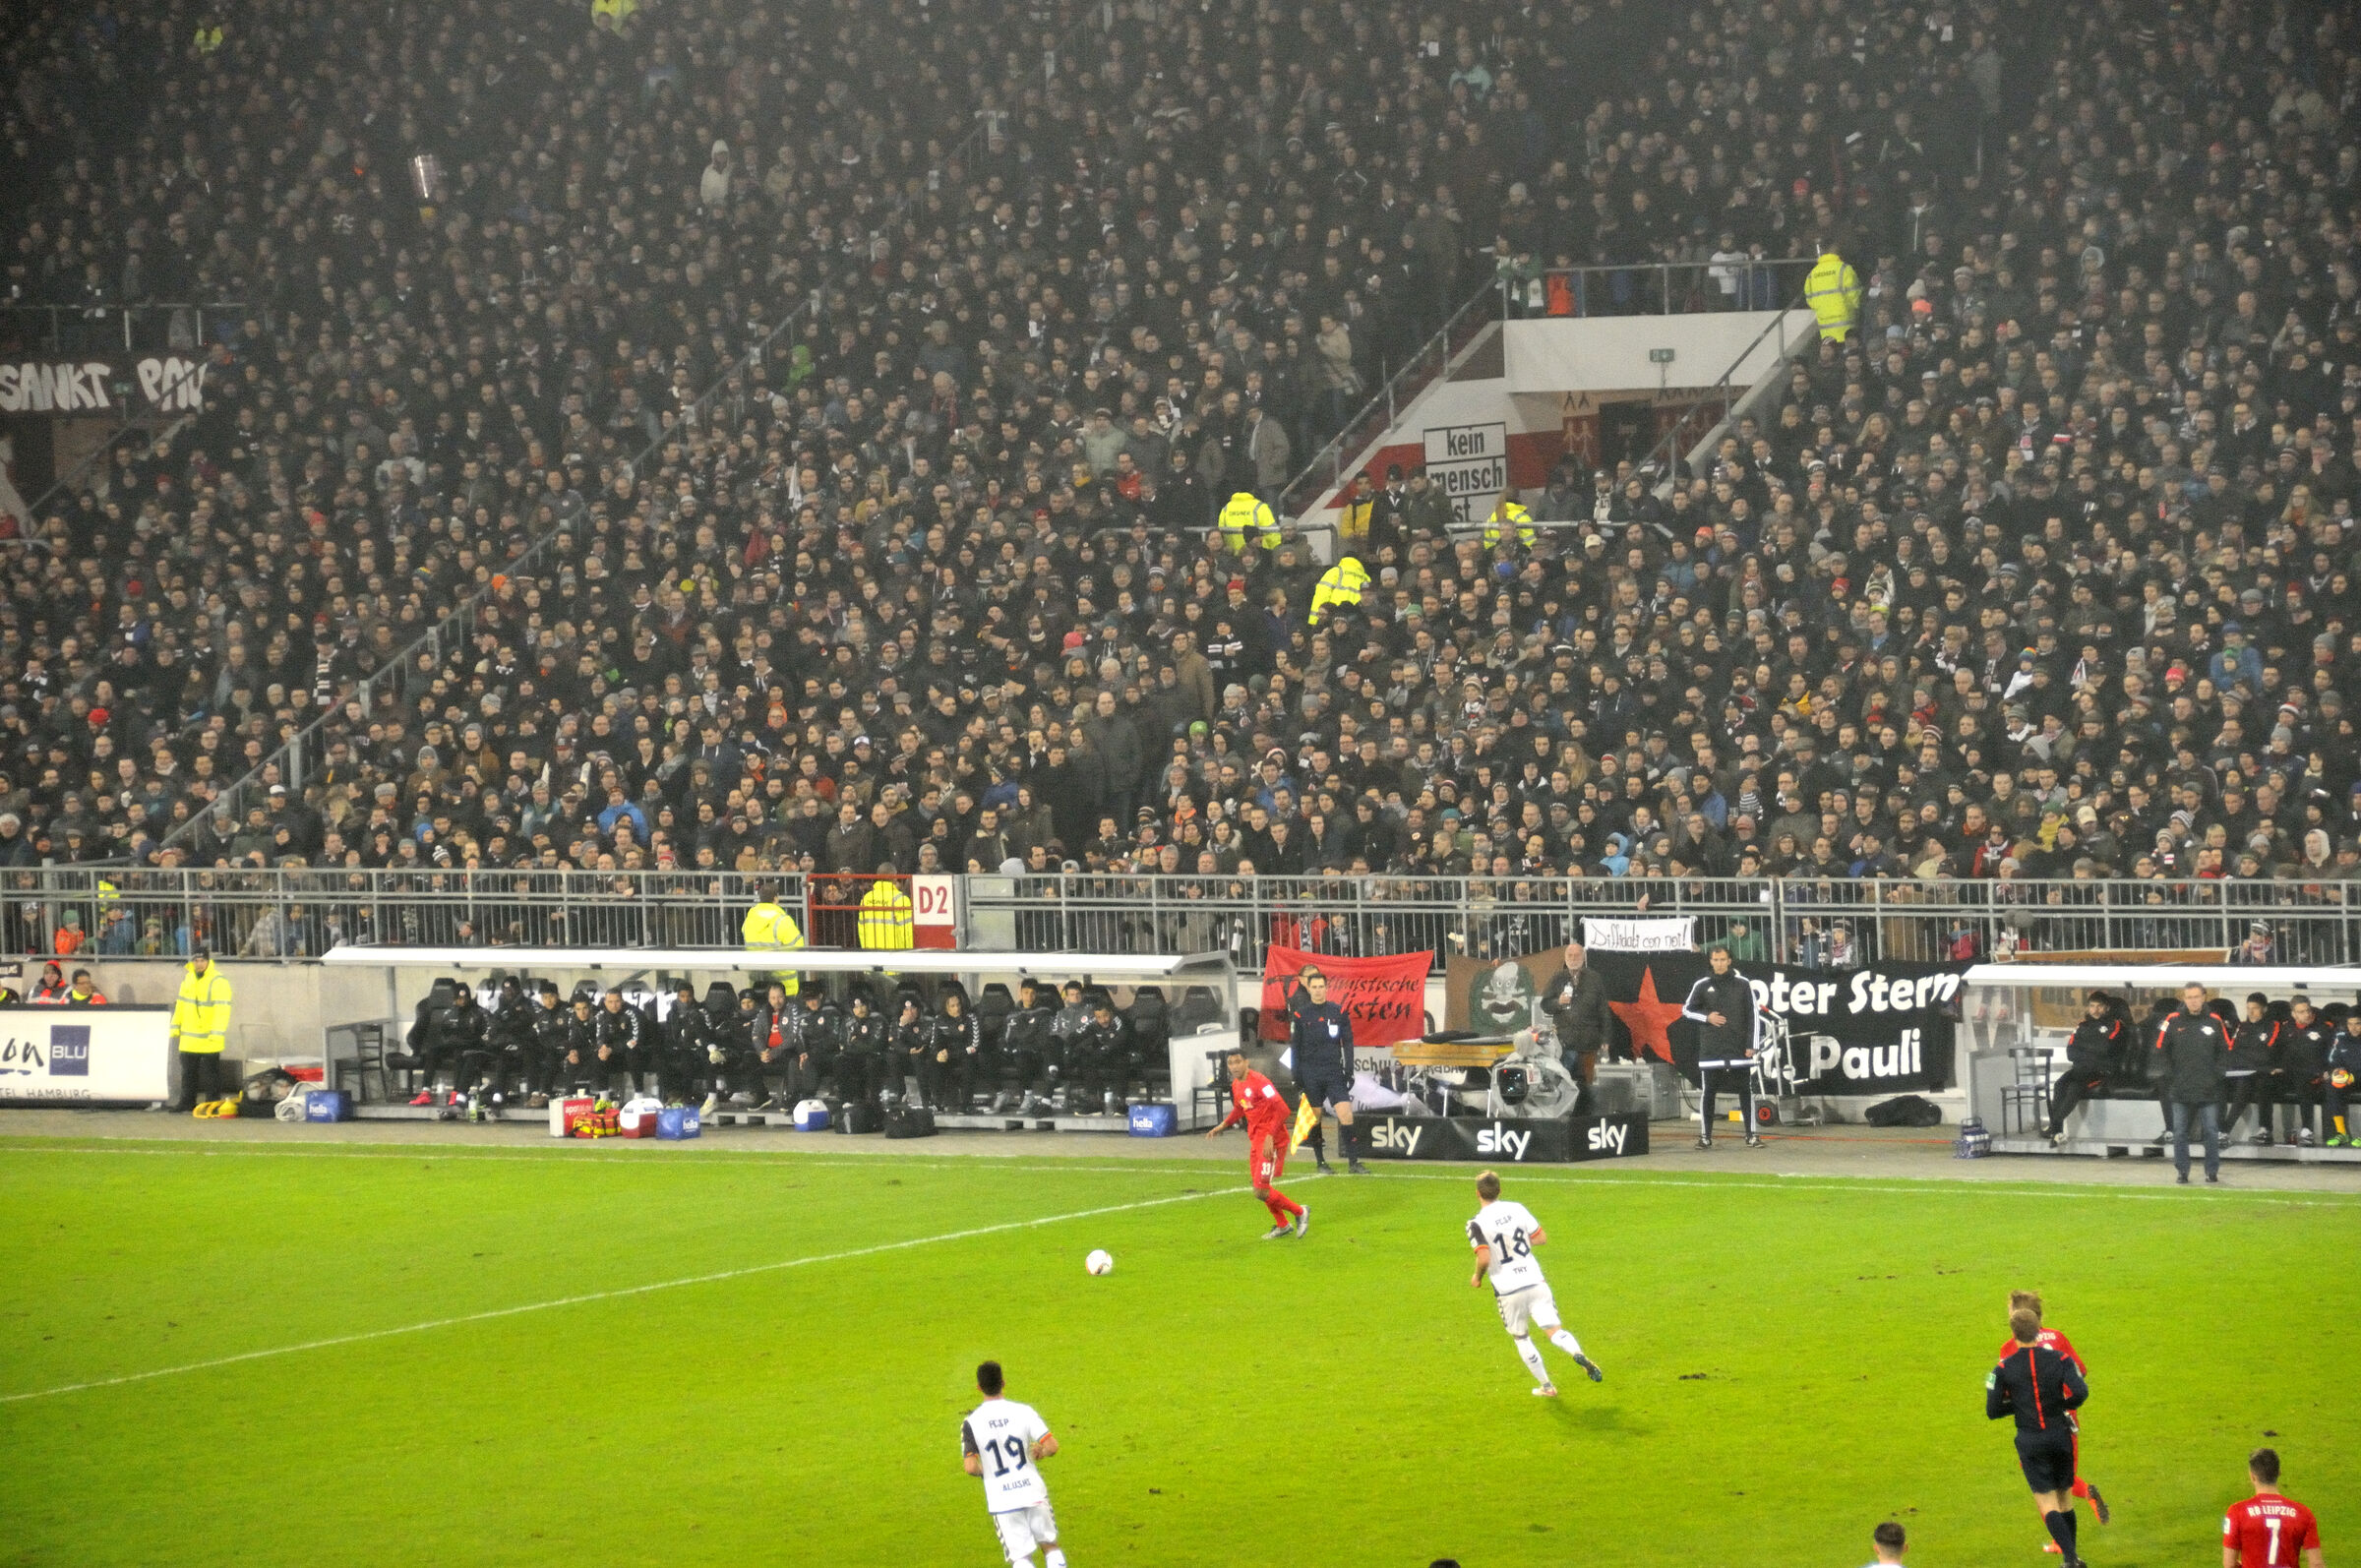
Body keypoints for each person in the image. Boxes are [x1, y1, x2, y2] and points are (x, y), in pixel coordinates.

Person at [1466, 1169, 1602, 1397]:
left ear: (1478, 1193)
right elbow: (1541, 1237)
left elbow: (1485, 1257)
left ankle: (1547, 1387)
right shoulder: (1517, 1208)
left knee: (1521, 1337)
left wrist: (1477, 1277)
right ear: (1499, 1190)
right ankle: (1577, 1353)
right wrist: (1514, 1243)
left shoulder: (1475, 1223)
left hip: (1508, 1289)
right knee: (1554, 1331)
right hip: (1534, 1280)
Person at [1988, 1303, 2091, 1566]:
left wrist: (2022, 1406)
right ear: (2038, 1330)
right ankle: (2072, 1558)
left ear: (2013, 1333)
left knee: (2047, 1502)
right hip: (2060, 1435)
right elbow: (2080, 1392)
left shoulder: (2001, 1369)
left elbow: (1993, 1410)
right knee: (2065, 1498)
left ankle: (2070, 1558)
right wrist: (2061, 1405)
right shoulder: (2060, 1359)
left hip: (2031, 1440)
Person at [2005, 1291, 2109, 1547]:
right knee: (2063, 1475)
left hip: (2034, 1422)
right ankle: (2071, 1528)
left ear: (2019, 1316)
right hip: (2066, 1417)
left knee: (2043, 1484)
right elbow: (2080, 1371)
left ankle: (2063, 1541)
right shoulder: (2058, 1337)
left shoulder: (2010, 1347)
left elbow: (2005, 1391)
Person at [960, 1360, 1064, 1568]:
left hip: (1002, 1499)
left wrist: (986, 1472)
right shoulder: (1024, 1411)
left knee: (1021, 1558)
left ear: (979, 1387)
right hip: (1033, 1491)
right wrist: (1041, 1452)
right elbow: (1052, 1446)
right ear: (1003, 1383)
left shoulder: (971, 1422)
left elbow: (970, 1467)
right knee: (1050, 1546)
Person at [1204, 1046, 1306, 1238]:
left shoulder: (1261, 1082)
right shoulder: (1236, 1085)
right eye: (1230, 1063)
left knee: (1260, 1191)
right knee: (1261, 1188)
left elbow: (1283, 1109)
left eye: (1237, 1062)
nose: (1234, 1066)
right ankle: (1283, 1225)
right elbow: (1239, 1109)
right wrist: (1223, 1125)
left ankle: (1300, 1212)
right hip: (1256, 1141)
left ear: (1246, 1062)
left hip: (1271, 1141)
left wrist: (1269, 1136)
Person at [1680, 944, 1762, 1148]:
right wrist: (1707, 1017)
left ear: (1730, 960)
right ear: (1710, 961)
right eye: (1715, 960)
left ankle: (1751, 1135)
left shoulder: (1743, 984)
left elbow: (1753, 1015)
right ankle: (1705, 1137)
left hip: (1737, 1048)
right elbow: (1687, 1010)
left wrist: (1752, 1044)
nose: (1719, 963)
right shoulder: (1702, 984)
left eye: (1723, 959)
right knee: (1709, 1091)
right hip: (1712, 1049)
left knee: (1745, 1090)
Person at [1286, 967, 1366, 1174]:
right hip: (1310, 1072)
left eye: (1321, 986)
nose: (1318, 990)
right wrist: (1296, 1075)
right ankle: (1321, 1162)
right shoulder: (1300, 1014)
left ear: (1327, 988)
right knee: (1316, 1116)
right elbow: (1295, 1047)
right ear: (1309, 988)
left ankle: (1353, 1162)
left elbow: (1347, 1042)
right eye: (1314, 987)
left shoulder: (1337, 1012)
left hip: (1333, 1072)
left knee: (1346, 1115)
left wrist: (1348, 1069)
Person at [2152, 981, 2230, 1182]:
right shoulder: (2172, 1020)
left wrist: (2217, 1075)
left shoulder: (2215, 1021)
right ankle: (2182, 1171)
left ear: (2204, 997)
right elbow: (2160, 1049)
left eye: (2196, 997)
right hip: (2180, 1088)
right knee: (2179, 1132)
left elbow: (2225, 1051)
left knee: (2212, 1132)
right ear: (2184, 999)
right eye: (2189, 997)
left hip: (2208, 1088)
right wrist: (2171, 1075)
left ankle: (2211, 1171)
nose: (2193, 1001)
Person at [2047, 992, 2131, 1144]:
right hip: (2080, 1069)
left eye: (2099, 1006)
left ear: (2107, 1008)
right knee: (2060, 1084)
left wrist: (2084, 1049)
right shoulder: (2082, 1025)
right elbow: (2070, 1052)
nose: (2095, 1010)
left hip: (2101, 1072)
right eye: (2092, 1006)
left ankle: (2053, 1127)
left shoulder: (2115, 1025)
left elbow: (2106, 1049)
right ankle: (2057, 1132)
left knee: (2075, 1087)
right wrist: (2092, 1050)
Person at [1541, 937, 1612, 1116]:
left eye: (1577, 955)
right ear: (1565, 958)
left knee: (1587, 1086)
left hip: (1589, 1042)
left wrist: (1606, 1038)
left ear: (1584, 957)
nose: (1573, 958)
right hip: (1565, 1043)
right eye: (1570, 955)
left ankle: (1587, 1117)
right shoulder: (1557, 978)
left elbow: (1604, 1010)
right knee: (1565, 1084)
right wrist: (1558, 1002)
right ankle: (1566, 1116)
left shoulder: (1595, 978)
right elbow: (1545, 1004)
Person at [2222, 1447, 2323, 1568]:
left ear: (2252, 1476)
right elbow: (2316, 1564)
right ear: (2279, 1473)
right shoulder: (2303, 1513)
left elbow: (2229, 1564)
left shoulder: (2236, 1512)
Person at [169, 947, 235, 1115]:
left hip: (209, 1038)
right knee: (188, 1073)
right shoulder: (188, 978)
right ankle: (187, 1102)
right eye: (196, 961)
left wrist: (216, 1032)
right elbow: (181, 1004)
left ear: (208, 961)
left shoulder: (218, 981)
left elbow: (222, 1010)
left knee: (211, 1076)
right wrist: (175, 1026)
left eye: (202, 960)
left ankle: (212, 1104)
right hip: (189, 1036)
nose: (199, 964)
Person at [2224, 994, 2283, 1146]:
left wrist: (2247, 1056)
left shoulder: (2273, 1025)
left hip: (2268, 1073)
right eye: (2248, 1008)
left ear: (2264, 1009)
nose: (2251, 1012)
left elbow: (2268, 1053)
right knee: (2245, 1082)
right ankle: (2224, 1131)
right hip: (2246, 1072)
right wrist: (2252, 1057)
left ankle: (2264, 1129)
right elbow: (2232, 1051)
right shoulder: (2241, 1026)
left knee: (2262, 1083)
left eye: (2255, 1008)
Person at [2275, 997, 2331, 1147]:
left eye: (2308, 1010)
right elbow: (2277, 1052)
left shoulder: (2323, 1028)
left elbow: (2332, 1053)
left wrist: (2327, 1070)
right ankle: (2267, 1130)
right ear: (2293, 1014)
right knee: (2264, 1081)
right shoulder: (2286, 1029)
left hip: (2313, 1074)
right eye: (2301, 1012)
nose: (2306, 1014)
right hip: (2288, 1073)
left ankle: (2307, 1130)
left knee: (2303, 1081)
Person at [741, 881, 805, 996]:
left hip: (757, 983)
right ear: (775, 898)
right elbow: (798, 945)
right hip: (783, 986)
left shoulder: (749, 919)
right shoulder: (782, 920)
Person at [2323, 1007, 2361, 1148]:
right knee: (2331, 1085)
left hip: (2356, 1077)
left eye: (2357, 1023)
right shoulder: (2341, 1036)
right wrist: (2336, 1071)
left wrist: (2353, 1076)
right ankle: (2342, 1133)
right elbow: (2333, 1058)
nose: (2353, 1028)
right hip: (2347, 1078)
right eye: (2350, 1024)